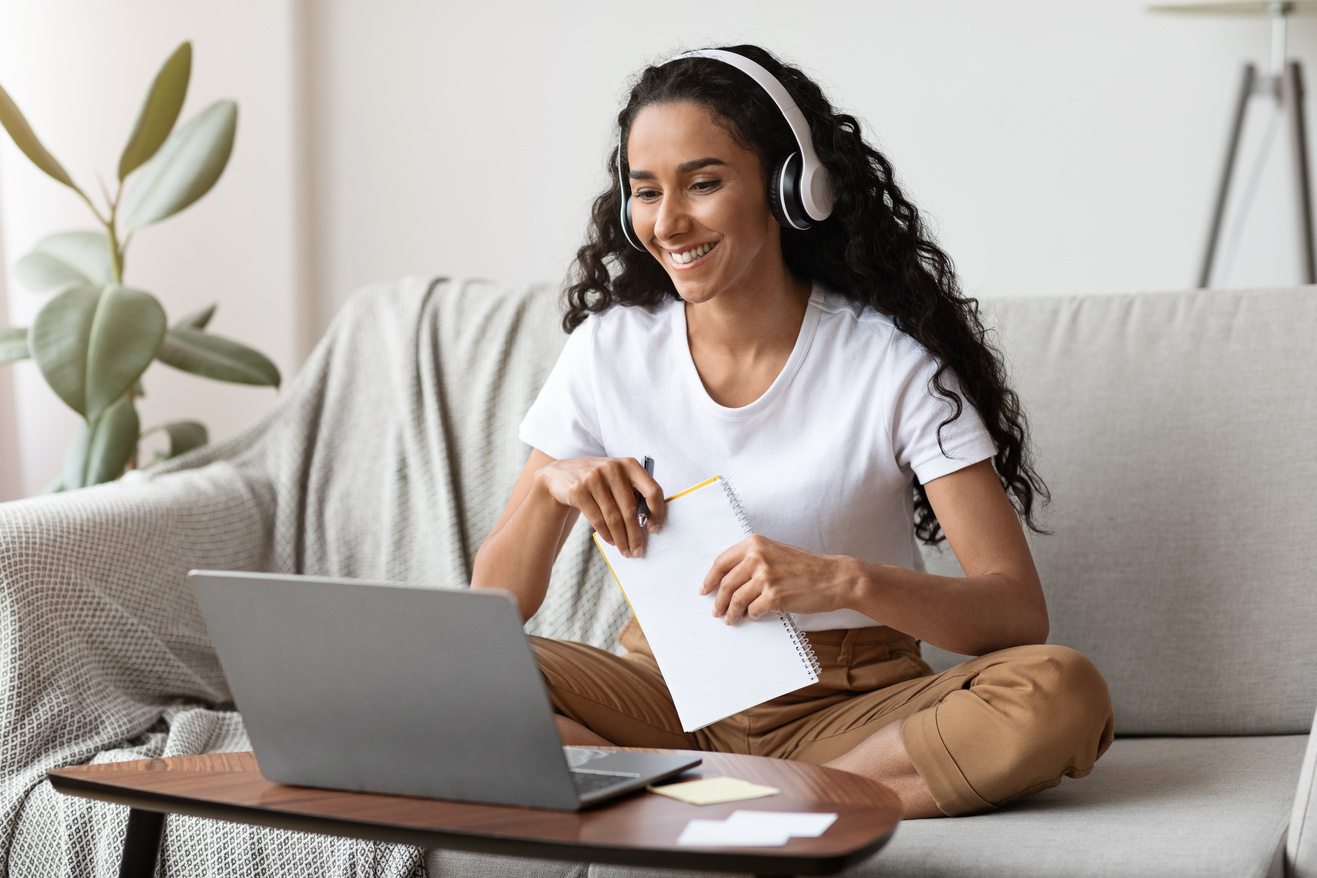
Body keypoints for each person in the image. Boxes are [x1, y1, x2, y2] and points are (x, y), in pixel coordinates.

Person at [471, 44, 1113, 819]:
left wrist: (843, 581)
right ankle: (734, 799)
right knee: (454, 671)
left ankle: (705, 802)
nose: (667, 221)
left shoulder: (888, 364)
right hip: (664, 687)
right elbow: (492, 606)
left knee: (1057, 690)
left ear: (791, 190)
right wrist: (550, 486)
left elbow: (1015, 614)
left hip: (847, 704)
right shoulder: (608, 349)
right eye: (645, 191)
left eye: (702, 184)